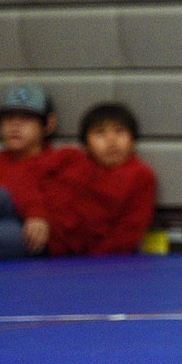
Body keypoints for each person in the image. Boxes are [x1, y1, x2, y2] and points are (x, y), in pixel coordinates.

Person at [43, 102, 158, 256]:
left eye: (120, 131)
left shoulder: (140, 176)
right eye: (100, 133)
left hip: (77, 257)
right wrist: (35, 214)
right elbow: (29, 178)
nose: (111, 140)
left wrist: (94, 263)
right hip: (35, 224)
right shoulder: (69, 159)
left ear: (132, 140)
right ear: (86, 145)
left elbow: (129, 230)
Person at [0, 83, 79, 259]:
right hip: (4, 222)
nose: (15, 124)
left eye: (26, 117)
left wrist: (37, 213)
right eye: (8, 117)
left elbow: (63, 212)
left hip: (38, 236)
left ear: (48, 124)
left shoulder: (61, 162)